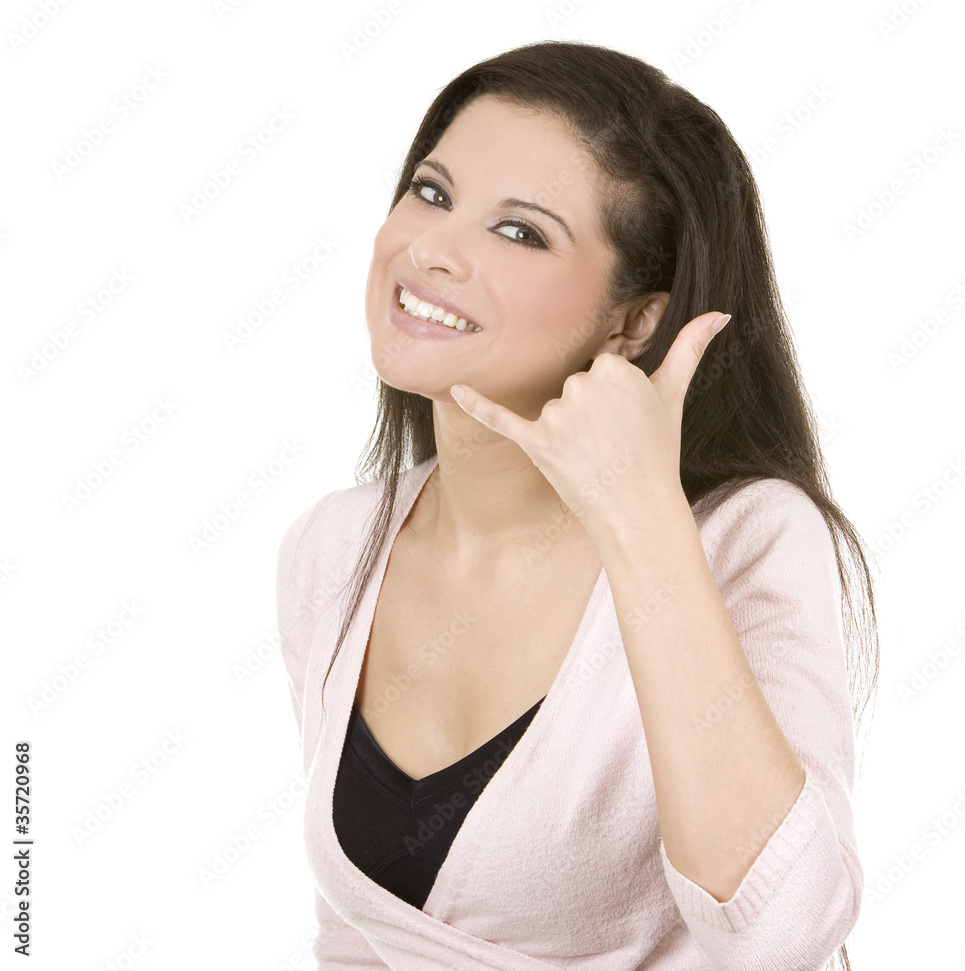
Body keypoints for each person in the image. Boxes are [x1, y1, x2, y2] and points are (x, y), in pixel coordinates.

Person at [278, 39, 879, 971]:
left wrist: (641, 518)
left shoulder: (745, 536)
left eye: (519, 232)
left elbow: (786, 934)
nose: (429, 249)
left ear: (635, 320)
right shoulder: (334, 545)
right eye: (432, 193)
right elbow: (356, 939)